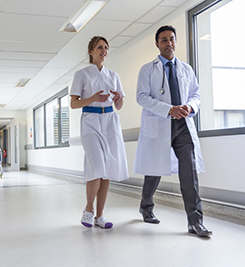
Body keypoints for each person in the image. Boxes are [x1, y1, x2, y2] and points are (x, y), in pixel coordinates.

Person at [134, 25, 211, 237]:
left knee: (189, 173)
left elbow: (196, 94)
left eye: (172, 39)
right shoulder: (147, 69)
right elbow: (142, 97)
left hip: (183, 125)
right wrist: (169, 109)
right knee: (154, 170)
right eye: (164, 40)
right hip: (160, 124)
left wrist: (190, 107)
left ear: (176, 42)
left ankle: (195, 222)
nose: (169, 43)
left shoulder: (186, 69)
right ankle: (146, 207)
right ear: (157, 44)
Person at [70, 36, 129, 229]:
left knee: (107, 171)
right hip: (91, 121)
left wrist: (119, 98)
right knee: (96, 166)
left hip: (110, 121)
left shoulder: (113, 75)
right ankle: (88, 209)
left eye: (106, 48)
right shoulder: (82, 74)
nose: (104, 51)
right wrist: (93, 98)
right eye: (100, 47)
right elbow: (74, 103)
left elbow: (119, 106)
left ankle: (100, 216)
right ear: (91, 52)